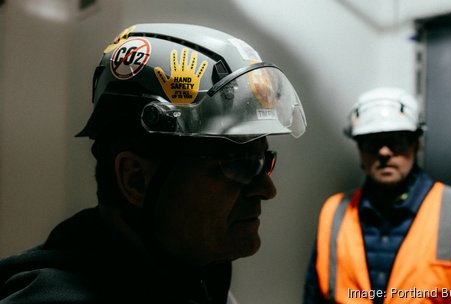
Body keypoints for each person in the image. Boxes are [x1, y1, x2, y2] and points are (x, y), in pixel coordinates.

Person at [0, 23, 306, 303]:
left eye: (264, 159)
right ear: (136, 179)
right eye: (239, 161)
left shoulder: (193, 274)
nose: (268, 189)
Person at [303, 87, 451, 304]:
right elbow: (313, 296)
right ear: (360, 149)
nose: (384, 153)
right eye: (372, 142)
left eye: (396, 140)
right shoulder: (334, 212)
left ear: (416, 143)